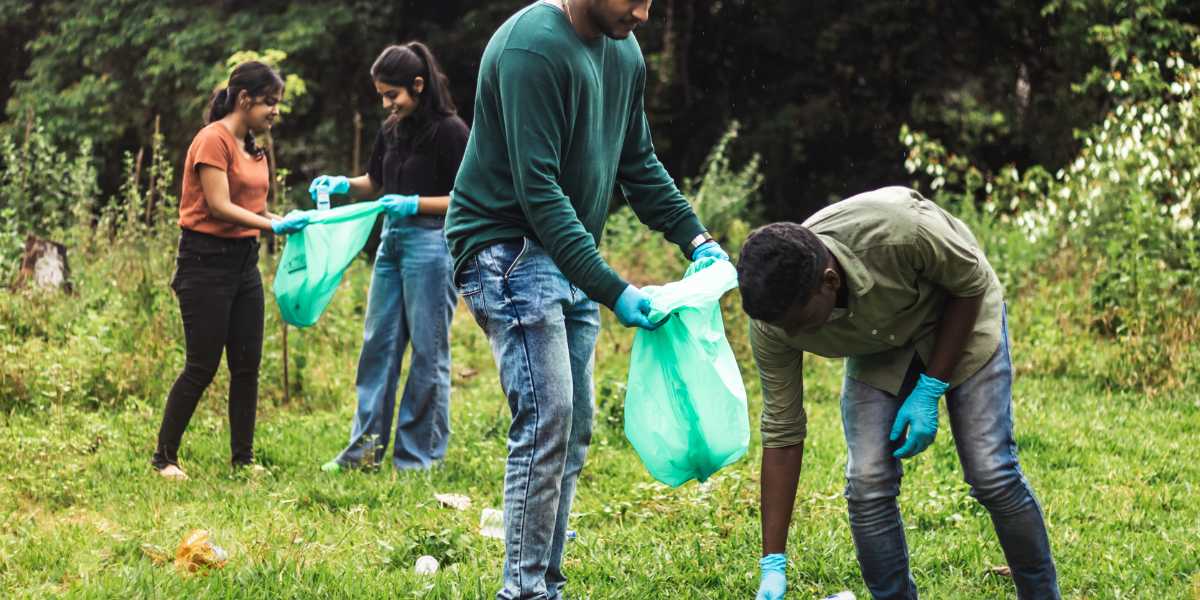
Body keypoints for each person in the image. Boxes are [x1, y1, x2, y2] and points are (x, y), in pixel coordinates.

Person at [444, 1, 729, 598]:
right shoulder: (532, 49)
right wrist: (613, 288)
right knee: (548, 419)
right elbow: (538, 188)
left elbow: (638, 162)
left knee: (574, 427)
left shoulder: (623, 52)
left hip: (565, 253)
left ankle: (544, 582)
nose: (644, 13)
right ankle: (522, 591)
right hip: (506, 246)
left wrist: (695, 236)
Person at [737, 186, 1059, 599]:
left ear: (829, 281)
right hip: (879, 346)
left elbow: (970, 284)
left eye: (801, 323)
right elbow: (782, 431)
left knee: (990, 471)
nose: (794, 336)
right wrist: (773, 562)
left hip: (958, 315)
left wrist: (930, 387)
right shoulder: (774, 321)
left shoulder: (901, 230)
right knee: (867, 478)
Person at [309, 42, 469, 472]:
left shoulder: (452, 131)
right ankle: (363, 452)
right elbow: (374, 181)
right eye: (382, 94)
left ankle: (417, 457)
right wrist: (342, 183)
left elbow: (465, 201)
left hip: (432, 246)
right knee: (377, 347)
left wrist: (415, 203)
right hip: (391, 243)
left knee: (427, 352)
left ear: (418, 85)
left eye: (392, 94)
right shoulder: (392, 128)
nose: (386, 103)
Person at [152, 61, 309, 480]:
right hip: (205, 263)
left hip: (244, 263)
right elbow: (220, 206)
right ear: (244, 99)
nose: (275, 111)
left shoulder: (251, 145)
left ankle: (243, 459)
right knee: (201, 366)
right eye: (269, 103)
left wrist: (283, 219)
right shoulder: (212, 140)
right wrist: (272, 225)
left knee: (246, 365)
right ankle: (164, 458)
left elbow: (251, 210)